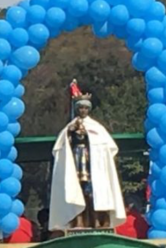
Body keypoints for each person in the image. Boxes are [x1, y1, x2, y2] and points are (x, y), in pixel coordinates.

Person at [49, 83, 126, 231]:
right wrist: (71, 133)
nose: (82, 110)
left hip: (94, 165)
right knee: (77, 192)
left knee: (96, 194)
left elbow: (109, 147)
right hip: (77, 162)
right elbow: (61, 148)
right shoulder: (69, 127)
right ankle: (79, 221)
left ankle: (98, 221)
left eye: (85, 108)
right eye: (80, 108)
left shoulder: (97, 127)